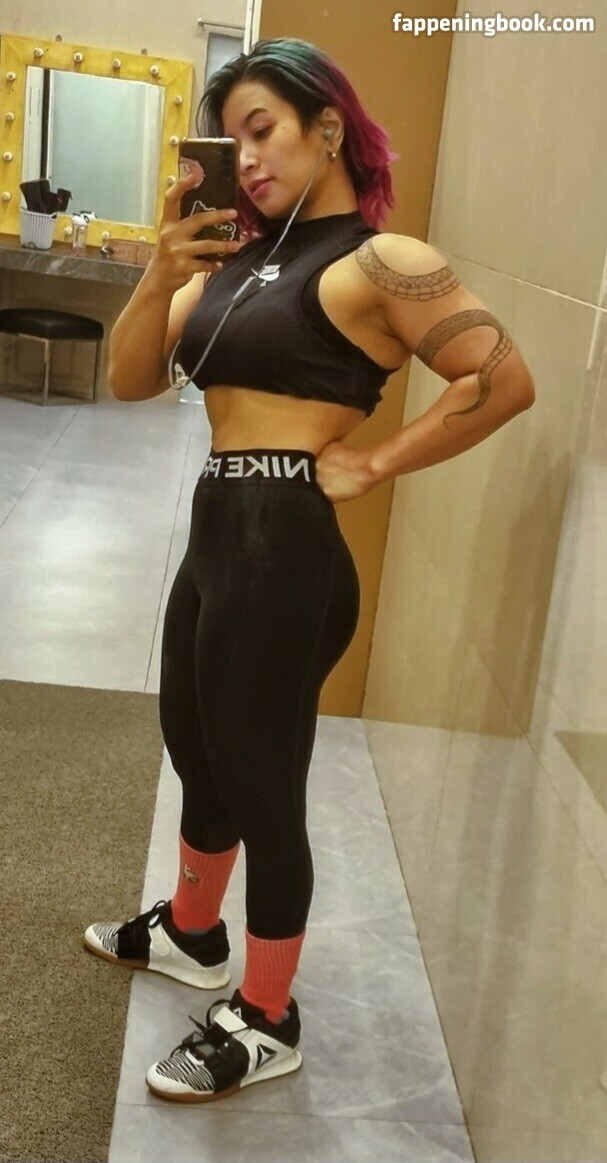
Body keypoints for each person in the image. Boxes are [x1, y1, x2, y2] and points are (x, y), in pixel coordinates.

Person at [84, 37, 535, 1105]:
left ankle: (268, 1013)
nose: (246, 158)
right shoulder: (236, 262)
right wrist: (162, 269)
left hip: (285, 544)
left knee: (261, 780)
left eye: (263, 130)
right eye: (231, 140)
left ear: (327, 128)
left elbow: (501, 376)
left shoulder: (381, 261)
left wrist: (375, 461)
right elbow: (131, 379)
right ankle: (194, 933)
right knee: (195, 744)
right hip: (217, 526)